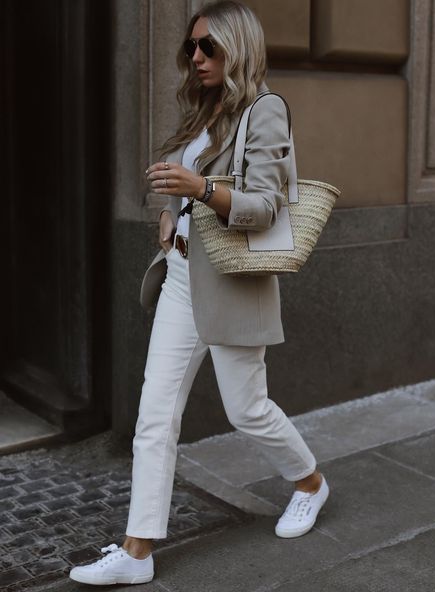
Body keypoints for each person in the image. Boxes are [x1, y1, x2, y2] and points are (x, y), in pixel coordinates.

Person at [69, 1, 329, 586]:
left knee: (248, 410)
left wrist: (200, 187)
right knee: (155, 416)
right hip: (183, 277)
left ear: (239, 48)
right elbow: (184, 181)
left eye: (208, 47)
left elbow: (264, 206)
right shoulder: (204, 109)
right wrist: (171, 213)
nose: (196, 56)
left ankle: (310, 482)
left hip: (233, 284)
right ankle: (137, 552)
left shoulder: (265, 112)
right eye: (192, 46)